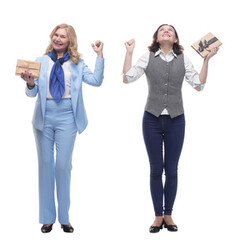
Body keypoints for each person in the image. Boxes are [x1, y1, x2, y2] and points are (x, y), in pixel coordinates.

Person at [122, 24, 218, 233]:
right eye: (162, 29)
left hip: (176, 119)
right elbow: (127, 78)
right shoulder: (147, 56)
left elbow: (199, 85)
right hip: (151, 119)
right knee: (156, 169)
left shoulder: (183, 58)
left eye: (171, 30)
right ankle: (158, 216)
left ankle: (168, 214)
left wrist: (206, 60)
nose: (166, 31)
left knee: (171, 169)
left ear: (175, 39)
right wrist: (129, 53)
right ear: (156, 37)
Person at [21, 23, 104, 234]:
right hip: (44, 117)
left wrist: (100, 56)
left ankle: (64, 218)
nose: (58, 39)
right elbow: (31, 94)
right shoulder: (40, 61)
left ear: (70, 41)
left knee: (62, 167)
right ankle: (47, 218)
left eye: (63, 37)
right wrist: (30, 83)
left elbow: (96, 81)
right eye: (56, 35)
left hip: (67, 116)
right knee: (46, 165)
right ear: (52, 37)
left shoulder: (77, 63)